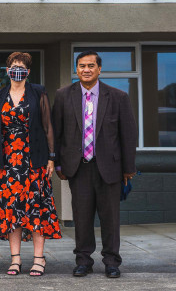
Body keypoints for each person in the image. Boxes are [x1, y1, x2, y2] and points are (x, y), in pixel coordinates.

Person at [52, 50, 137, 279]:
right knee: (82, 217)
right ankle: (83, 261)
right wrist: (59, 165)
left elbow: (128, 135)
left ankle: (111, 262)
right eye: (81, 66)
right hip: (78, 168)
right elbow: (57, 133)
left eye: (90, 66)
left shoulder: (118, 97)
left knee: (110, 218)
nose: (86, 70)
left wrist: (129, 169)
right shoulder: (63, 96)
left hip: (109, 168)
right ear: (76, 69)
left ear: (99, 69)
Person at [0, 52, 61, 276]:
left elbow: (48, 126)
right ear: (7, 69)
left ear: (28, 72)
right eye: (13, 66)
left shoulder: (38, 92)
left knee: (36, 211)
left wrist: (51, 157)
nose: (17, 70)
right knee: (13, 211)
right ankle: (15, 259)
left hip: (34, 161)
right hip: (9, 163)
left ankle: (39, 259)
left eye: (21, 66)